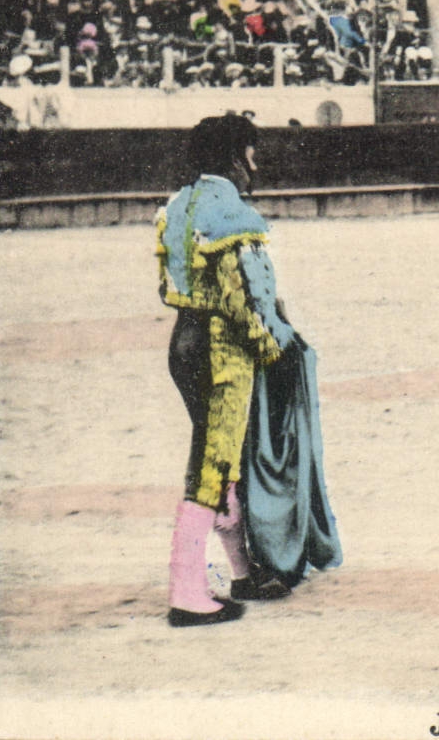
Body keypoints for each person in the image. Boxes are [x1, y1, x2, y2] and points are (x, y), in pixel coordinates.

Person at [155, 115, 294, 625]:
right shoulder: (232, 210)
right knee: (213, 461)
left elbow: (166, 285)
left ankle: (240, 572)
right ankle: (187, 593)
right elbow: (246, 297)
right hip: (222, 349)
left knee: (218, 454)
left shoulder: (175, 205)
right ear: (235, 155)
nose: (254, 164)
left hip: (183, 341)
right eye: (250, 153)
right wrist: (276, 342)